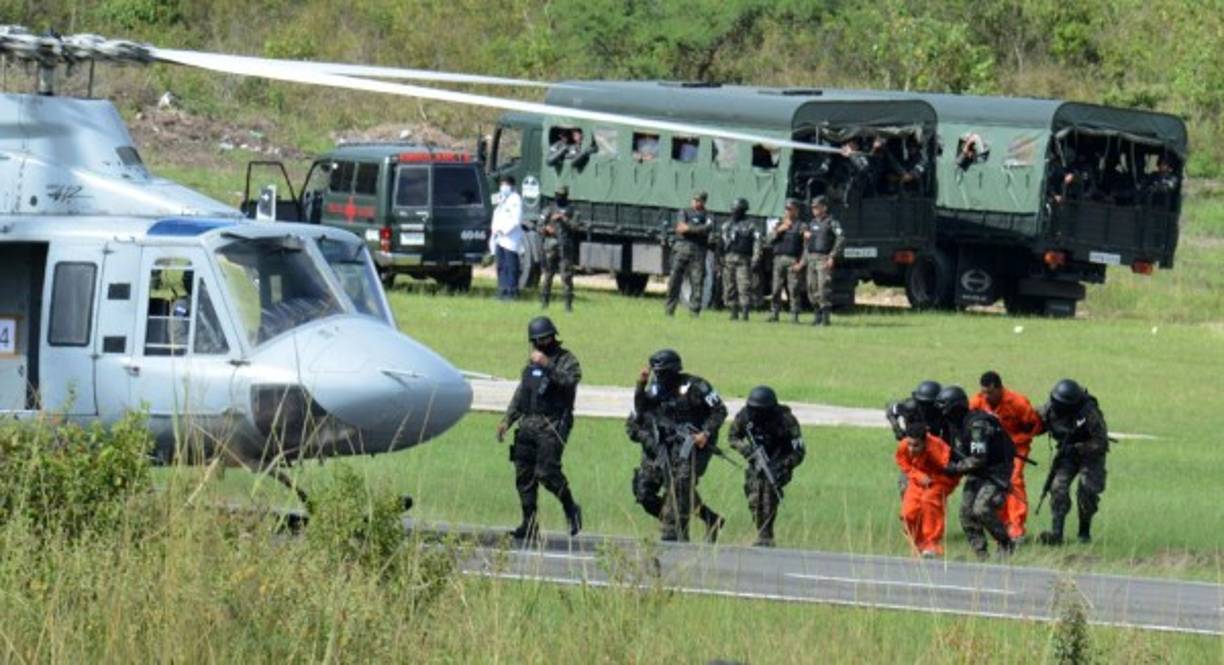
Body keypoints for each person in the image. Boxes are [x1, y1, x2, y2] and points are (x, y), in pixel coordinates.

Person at [496, 316, 583, 541]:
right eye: (536, 340)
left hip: (553, 424)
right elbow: (522, 392)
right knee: (524, 475)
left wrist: (547, 364)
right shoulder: (531, 363)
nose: (541, 344)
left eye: (545, 339)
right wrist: (507, 420)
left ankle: (570, 507)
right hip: (528, 423)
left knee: (546, 472)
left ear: (553, 336)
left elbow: (569, 381)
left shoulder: (566, 360)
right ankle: (529, 524)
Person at [633, 349, 727, 542]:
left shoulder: (696, 386)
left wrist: (705, 433)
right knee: (644, 491)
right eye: (656, 372)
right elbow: (641, 410)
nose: (659, 376)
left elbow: (719, 410)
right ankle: (709, 518)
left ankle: (674, 528)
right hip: (664, 444)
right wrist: (640, 385)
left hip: (693, 444)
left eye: (662, 373)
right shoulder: (655, 388)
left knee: (680, 486)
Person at [1034, 379, 1110, 545]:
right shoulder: (1051, 408)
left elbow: (1101, 442)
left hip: (1091, 455)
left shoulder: (1089, 412)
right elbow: (1033, 420)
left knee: (1087, 490)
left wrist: (1078, 448)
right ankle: (1057, 532)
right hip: (1067, 454)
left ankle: (1084, 532)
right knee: (1057, 487)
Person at [727, 386, 805, 547]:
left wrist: (782, 466)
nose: (756, 414)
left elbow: (799, 451)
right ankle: (761, 530)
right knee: (754, 497)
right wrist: (746, 449)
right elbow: (732, 437)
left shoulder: (786, 420)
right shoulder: (745, 416)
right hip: (756, 462)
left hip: (780, 463)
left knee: (769, 493)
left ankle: (766, 535)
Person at [970, 371, 1040, 543]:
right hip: (993, 451)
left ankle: (1016, 527)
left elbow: (1033, 424)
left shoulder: (1018, 403)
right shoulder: (977, 402)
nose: (986, 396)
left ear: (999, 388)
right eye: (984, 392)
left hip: (1016, 448)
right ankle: (1002, 524)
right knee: (994, 483)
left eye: (990, 392)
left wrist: (1017, 441)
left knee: (1014, 480)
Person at [942, 399, 1016, 560]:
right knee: (966, 514)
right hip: (977, 472)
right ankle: (981, 554)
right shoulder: (956, 425)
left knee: (982, 508)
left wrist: (954, 468)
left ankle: (1006, 543)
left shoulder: (977, 426)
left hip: (996, 471)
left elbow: (978, 459)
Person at [891, 401, 959, 557]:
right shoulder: (904, 445)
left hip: (940, 480)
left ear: (925, 442)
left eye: (916, 446)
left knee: (929, 502)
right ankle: (918, 545)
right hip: (918, 479)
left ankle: (932, 544)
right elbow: (904, 463)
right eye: (910, 445)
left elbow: (951, 470)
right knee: (908, 513)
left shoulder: (936, 449)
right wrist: (918, 476)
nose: (911, 449)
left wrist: (937, 484)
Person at [665, 191, 714, 317]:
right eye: (694, 200)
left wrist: (690, 228)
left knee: (697, 283)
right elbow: (681, 228)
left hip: (699, 251)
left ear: (703, 202)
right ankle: (669, 310)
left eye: (699, 200)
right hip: (682, 249)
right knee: (674, 280)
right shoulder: (684, 212)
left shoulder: (709, 215)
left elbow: (708, 228)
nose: (695, 202)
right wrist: (699, 229)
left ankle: (694, 312)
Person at [798, 196, 844, 326]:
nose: (814, 209)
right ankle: (817, 315)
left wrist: (832, 256)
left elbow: (841, 238)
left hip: (823, 258)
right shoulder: (811, 223)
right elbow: (805, 241)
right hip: (811, 258)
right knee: (811, 288)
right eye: (813, 207)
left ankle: (825, 318)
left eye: (817, 207)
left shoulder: (831, 222)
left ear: (824, 207)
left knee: (823, 288)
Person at [538, 185, 581, 311]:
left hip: (566, 246)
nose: (559, 197)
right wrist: (546, 229)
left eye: (562, 195)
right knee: (547, 275)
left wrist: (563, 219)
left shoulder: (572, 211)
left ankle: (568, 305)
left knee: (566, 276)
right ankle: (544, 302)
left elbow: (576, 227)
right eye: (558, 194)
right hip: (551, 246)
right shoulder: (549, 210)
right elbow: (539, 226)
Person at [766, 199, 806, 323]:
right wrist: (779, 230)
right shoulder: (779, 224)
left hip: (792, 260)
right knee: (776, 289)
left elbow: (806, 247)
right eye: (786, 209)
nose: (787, 212)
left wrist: (801, 263)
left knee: (793, 289)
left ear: (796, 211)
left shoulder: (801, 225)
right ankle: (774, 313)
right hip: (778, 260)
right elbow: (768, 241)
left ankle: (794, 315)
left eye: (790, 209)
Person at [721, 197, 758, 321]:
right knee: (729, 286)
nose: (734, 212)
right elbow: (721, 244)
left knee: (744, 286)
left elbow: (757, 242)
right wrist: (719, 259)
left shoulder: (750, 225)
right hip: (729, 258)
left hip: (743, 259)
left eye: (737, 210)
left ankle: (745, 313)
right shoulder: (727, 225)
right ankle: (733, 311)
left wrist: (756, 258)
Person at [489, 175, 524, 300]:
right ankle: (502, 290)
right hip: (499, 237)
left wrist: (504, 230)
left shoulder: (515, 199)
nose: (503, 187)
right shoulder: (501, 199)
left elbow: (516, 220)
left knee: (511, 266)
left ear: (511, 186)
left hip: (510, 238)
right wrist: (495, 231)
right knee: (501, 266)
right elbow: (497, 216)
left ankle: (512, 291)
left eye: (505, 184)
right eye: (502, 184)